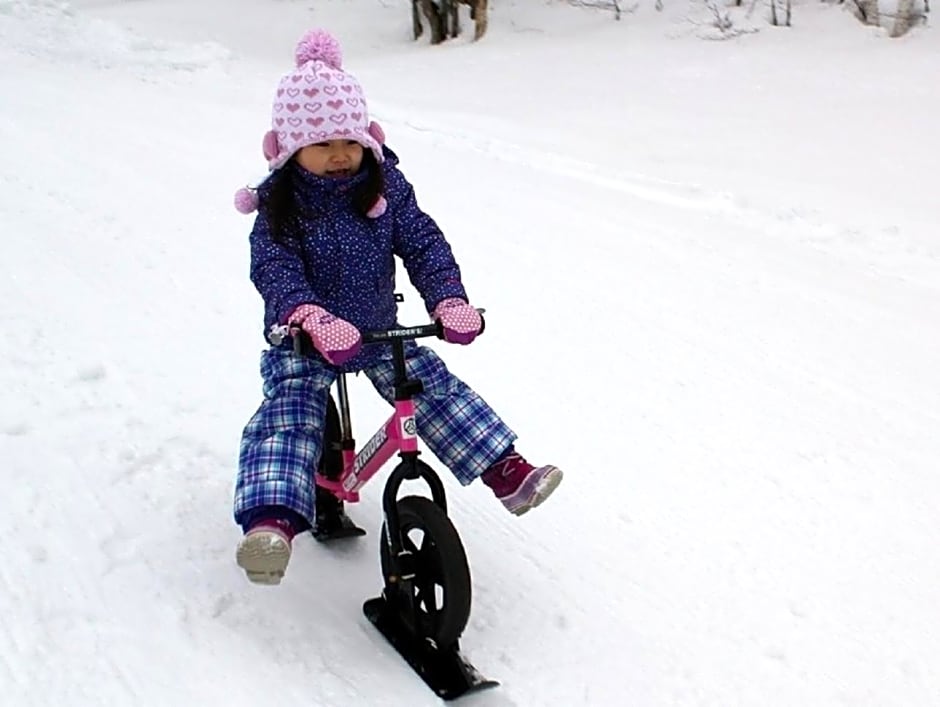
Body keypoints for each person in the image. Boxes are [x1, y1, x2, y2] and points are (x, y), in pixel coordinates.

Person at [231, 29, 563, 586]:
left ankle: (503, 469)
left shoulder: (385, 188)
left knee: (432, 387)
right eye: (323, 143)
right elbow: (274, 269)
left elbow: (422, 242)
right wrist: (309, 316)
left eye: (350, 141)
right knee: (289, 414)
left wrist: (448, 297)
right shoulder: (279, 208)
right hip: (304, 336)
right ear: (291, 150)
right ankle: (271, 524)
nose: (341, 155)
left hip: (376, 329)